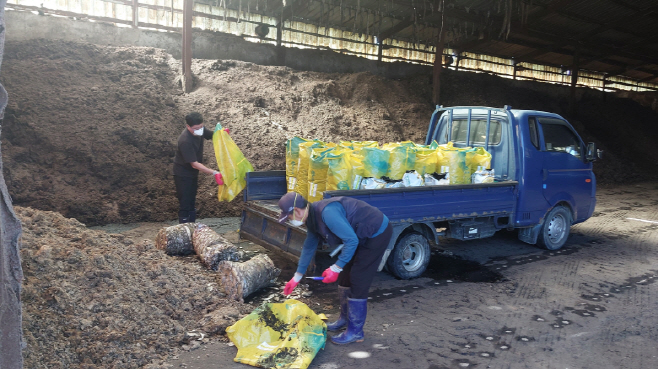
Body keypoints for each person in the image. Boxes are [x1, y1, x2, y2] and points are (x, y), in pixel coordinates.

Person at [278, 191, 393, 345]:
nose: (289, 220)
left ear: (297, 211)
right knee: (346, 277)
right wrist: (296, 277)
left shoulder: (327, 213)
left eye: (289, 217)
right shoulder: (311, 218)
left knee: (358, 279)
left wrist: (336, 267)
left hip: (375, 233)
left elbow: (351, 241)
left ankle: (356, 332)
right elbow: (308, 247)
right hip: (358, 236)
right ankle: (345, 319)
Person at [172, 112, 226, 224]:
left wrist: (221, 134)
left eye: (201, 126)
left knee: (192, 200)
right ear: (188, 127)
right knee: (185, 202)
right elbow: (194, 164)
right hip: (182, 174)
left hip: (193, 173)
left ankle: (192, 226)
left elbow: (211, 135)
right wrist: (214, 173)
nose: (200, 130)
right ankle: (184, 228)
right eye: (196, 128)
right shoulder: (185, 141)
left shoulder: (199, 130)